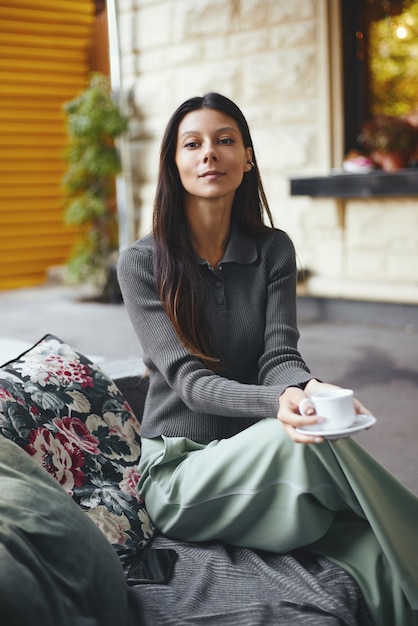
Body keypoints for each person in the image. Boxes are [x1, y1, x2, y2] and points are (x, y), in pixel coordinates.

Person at [117, 92, 418, 625]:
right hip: (179, 475)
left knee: (376, 557)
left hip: (256, 463)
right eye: (193, 143)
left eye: (225, 140)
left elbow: (280, 355)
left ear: (247, 157)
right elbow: (189, 382)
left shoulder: (273, 249)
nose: (210, 153)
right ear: (175, 162)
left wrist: (308, 390)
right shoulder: (142, 263)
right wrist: (281, 402)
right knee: (298, 437)